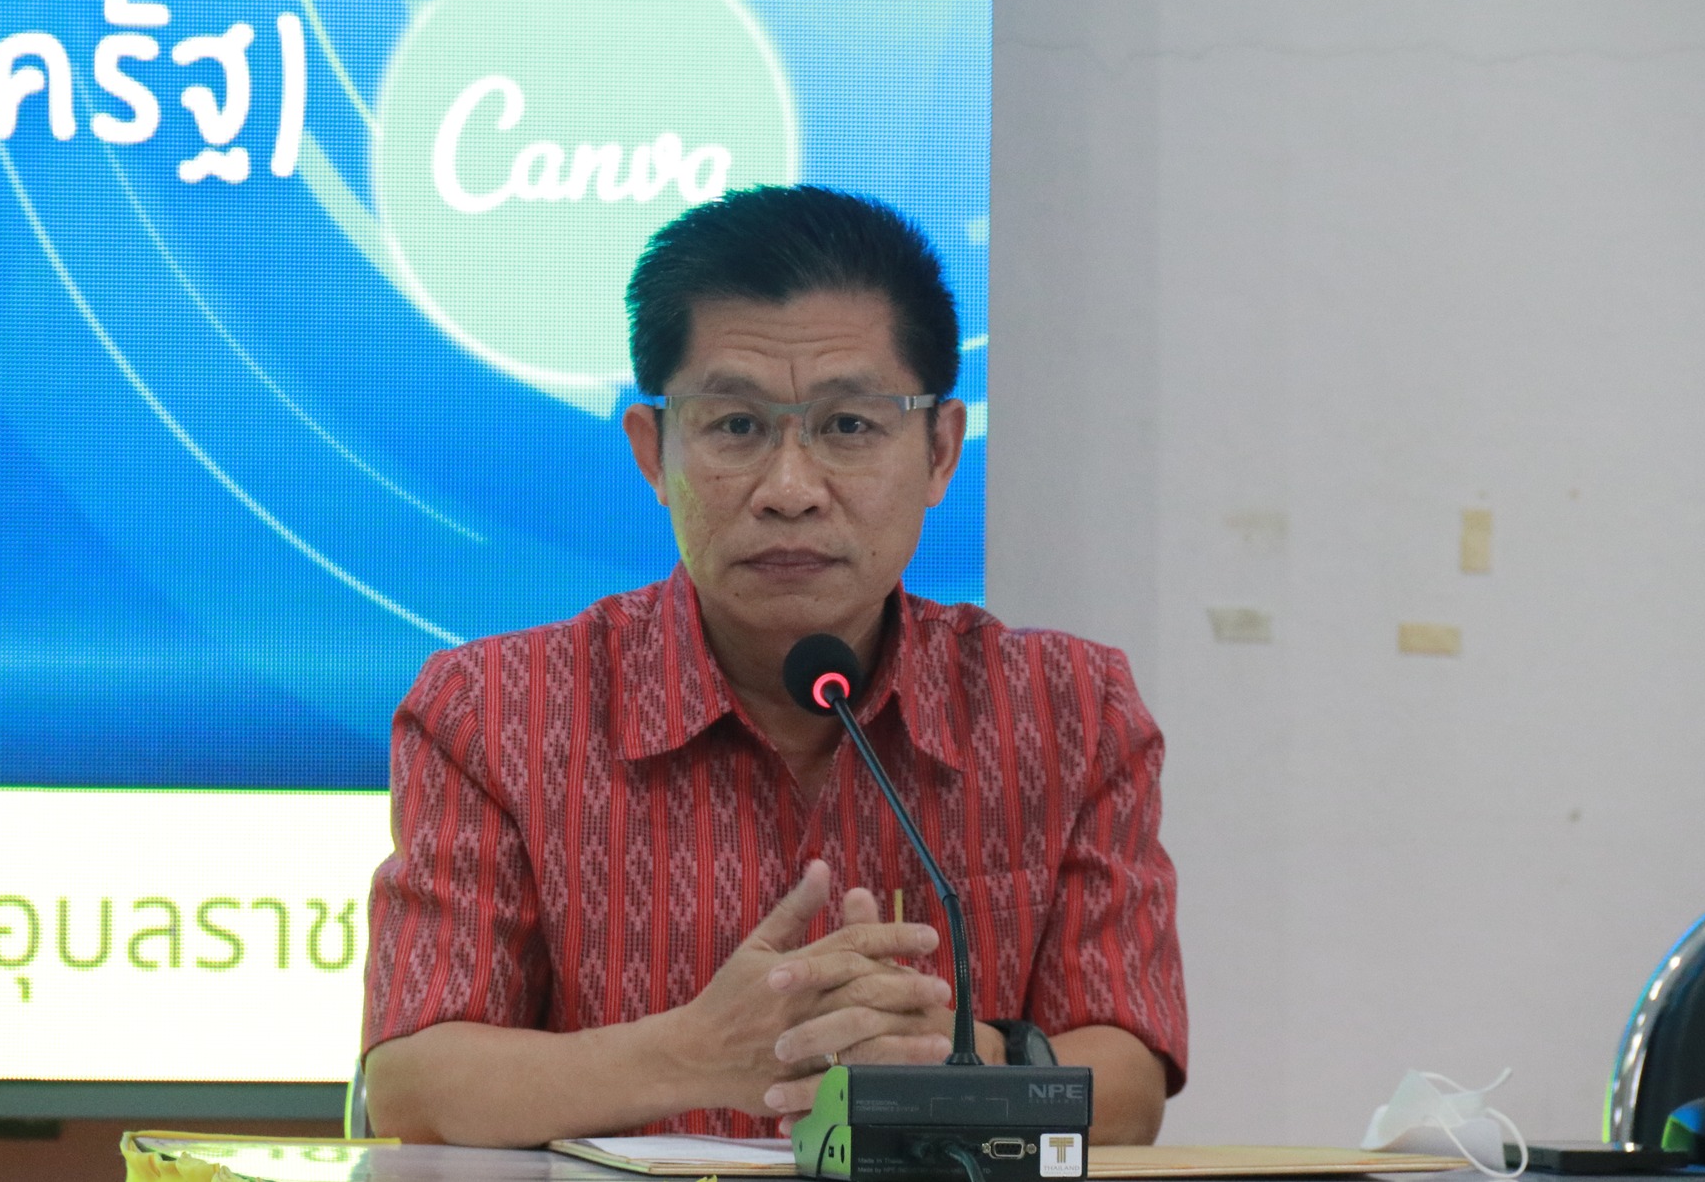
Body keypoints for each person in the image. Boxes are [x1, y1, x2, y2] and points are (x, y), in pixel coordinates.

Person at [360, 185, 1185, 1147]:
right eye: (737, 426)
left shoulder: (1067, 709)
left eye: (849, 426)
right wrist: (698, 1052)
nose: (791, 490)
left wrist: (964, 1060)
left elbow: (1128, 1087)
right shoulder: (495, 710)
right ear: (653, 453)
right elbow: (415, 1086)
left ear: (940, 451)